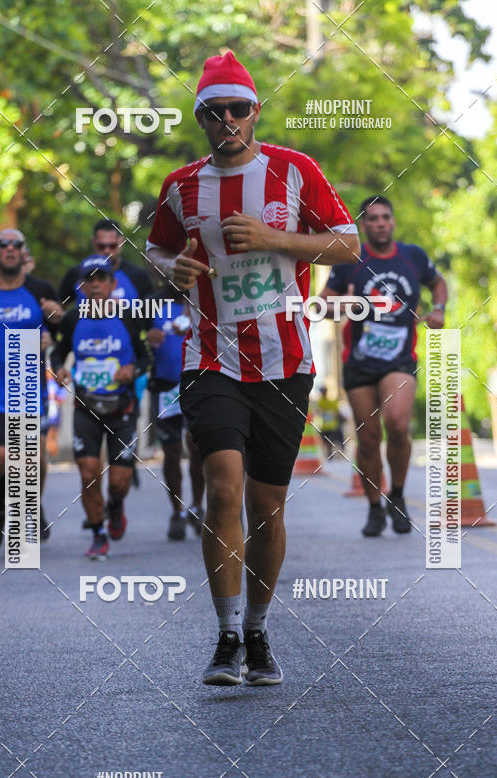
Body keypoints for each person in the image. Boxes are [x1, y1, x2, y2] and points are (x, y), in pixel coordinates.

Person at [146, 51, 359, 686]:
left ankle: (260, 632)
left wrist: (277, 241)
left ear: (255, 112)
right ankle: (227, 634)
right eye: (214, 112)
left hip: (283, 360)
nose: (228, 120)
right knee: (223, 485)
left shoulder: (294, 172)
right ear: (203, 120)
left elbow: (346, 242)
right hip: (210, 355)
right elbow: (157, 249)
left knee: (268, 505)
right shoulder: (182, 186)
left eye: (238, 109)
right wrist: (173, 270)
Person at [321, 195, 447, 537]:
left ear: (392, 221)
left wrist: (439, 309)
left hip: (400, 360)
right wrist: (342, 304)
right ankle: (375, 507)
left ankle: (399, 496)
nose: (380, 223)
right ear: (363, 225)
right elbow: (322, 304)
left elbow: (438, 282)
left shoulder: (413, 256)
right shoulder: (349, 259)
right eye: (372, 218)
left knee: (398, 425)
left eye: (385, 217)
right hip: (360, 362)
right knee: (368, 437)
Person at [0, 229, 62, 547]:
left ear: (23, 252)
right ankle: (1, 510)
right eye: (2, 244)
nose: (9, 249)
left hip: (30, 390)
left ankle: (32, 507)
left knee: (34, 460)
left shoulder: (40, 289)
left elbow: (62, 329)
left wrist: (53, 334)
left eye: (16, 244)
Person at [51, 256, 150, 559]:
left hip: (122, 410)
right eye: (89, 279)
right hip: (86, 409)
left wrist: (132, 370)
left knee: (119, 481)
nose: (95, 285)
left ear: (112, 284)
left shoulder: (129, 317)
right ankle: (98, 534)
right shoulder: (71, 319)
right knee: (88, 473)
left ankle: (116, 506)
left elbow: (145, 358)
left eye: (101, 279)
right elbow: (58, 352)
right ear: (81, 286)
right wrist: (59, 369)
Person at [146, 288, 205, 540]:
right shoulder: (152, 303)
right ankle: (177, 511)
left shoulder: (203, 294)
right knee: (171, 451)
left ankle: (198, 506)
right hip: (165, 385)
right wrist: (145, 337)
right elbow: (132, 333)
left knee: (197, 446)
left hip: (199, 382)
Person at [59, 219, 153, 316]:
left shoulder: (138, 276)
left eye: (112, 246)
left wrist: (123, 309)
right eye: (101, 246)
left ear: (121, 242)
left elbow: (152, 314)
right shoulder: (77, 273)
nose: (107, 251)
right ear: (93, 242)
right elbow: (58, 310)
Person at [314, 386, 345, 459]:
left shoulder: (329, 402)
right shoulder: (321, 402)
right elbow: (317, 413)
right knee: (329, 442)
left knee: (333, 441)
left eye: (324, 391)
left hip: (332, 426)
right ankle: (331, 454)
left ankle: (335, 454)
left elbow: (337, 413)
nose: (323, 393)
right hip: (325, 427)